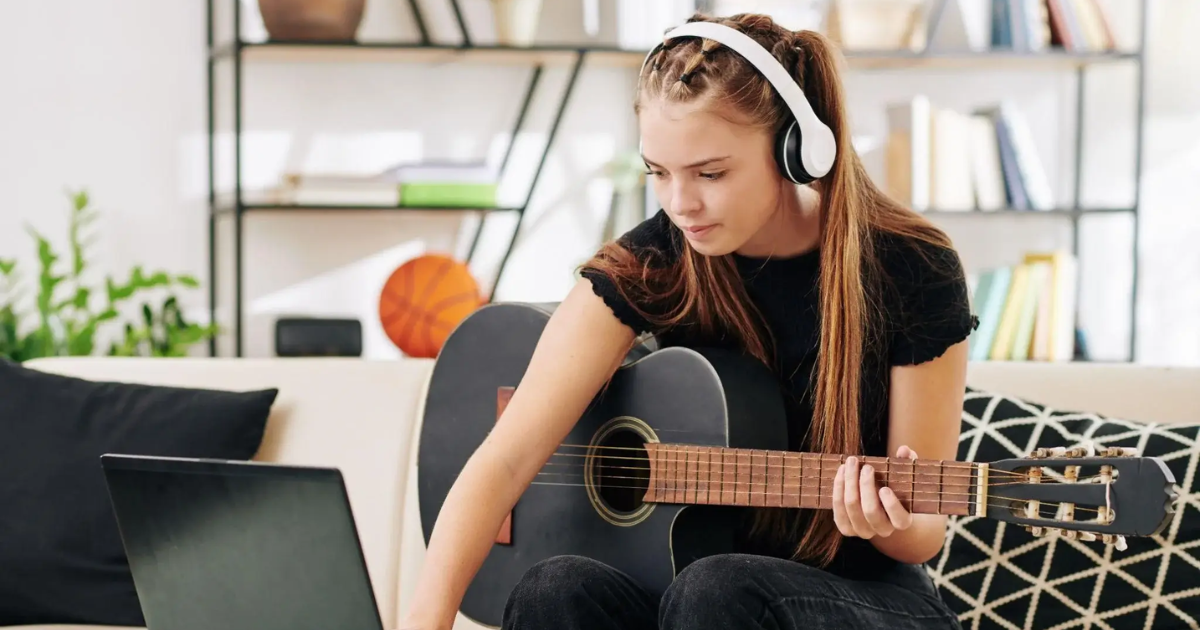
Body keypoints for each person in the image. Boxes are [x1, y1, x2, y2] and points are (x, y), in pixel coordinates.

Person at [402, 11, 977, 630]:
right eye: (658, 173)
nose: (681, 204)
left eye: (710, 173)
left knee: (717, 588)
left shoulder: (912, 266)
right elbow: (505, 460)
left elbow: (923, 536)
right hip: (694, 600)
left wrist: (886, 521)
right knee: (553, 589)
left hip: (865, 598)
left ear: (795, 152)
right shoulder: (653, 260)